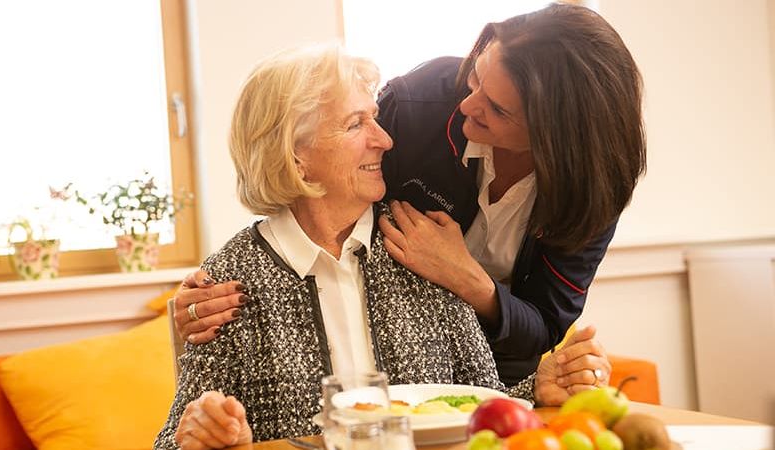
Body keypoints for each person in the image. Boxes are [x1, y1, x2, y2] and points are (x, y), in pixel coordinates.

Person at [172, 3, 640, 389]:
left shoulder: (593, 184)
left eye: (496, 109)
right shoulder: (420, 109)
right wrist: (203, 298)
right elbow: (318, 189)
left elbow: (534, 334)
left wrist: (466, 279)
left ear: (555, 134)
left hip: (502, 359)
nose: (466, 106)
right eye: (475, 77)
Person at [155, 43, 593, 449]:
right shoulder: (229, 283)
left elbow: (482, 404)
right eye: (355, 124)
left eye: (376, 118)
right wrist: (203, 436)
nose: (384, 139)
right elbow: (177, 435)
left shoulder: (423, 249)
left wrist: (537, 388)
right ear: (295, 156)